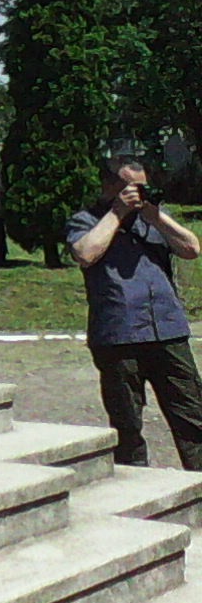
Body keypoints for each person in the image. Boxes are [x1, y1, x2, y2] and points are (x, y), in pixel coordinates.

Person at [66, 156, 202, 471]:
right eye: (131, 187)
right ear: (109, 185)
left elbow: (192, 249)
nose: (138, 193)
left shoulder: (152, 218)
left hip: (166, 329)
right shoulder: (86, 219)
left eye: (143, 186)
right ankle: (135, 488)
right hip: (118, 334)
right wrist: (118, 212)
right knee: (127, 422)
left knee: (193, 415)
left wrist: (156, 217)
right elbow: (85, 253)